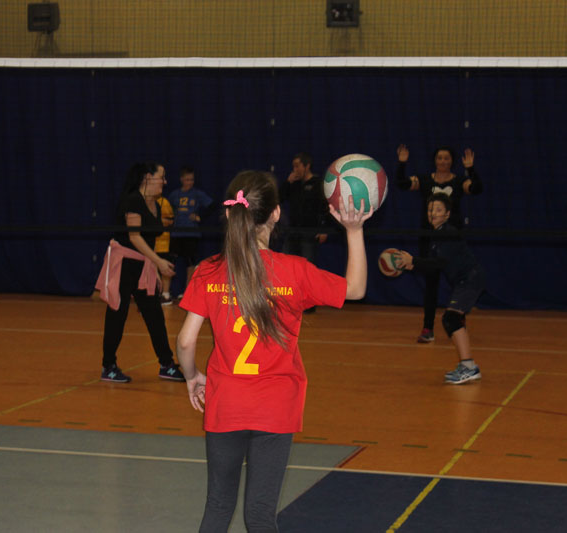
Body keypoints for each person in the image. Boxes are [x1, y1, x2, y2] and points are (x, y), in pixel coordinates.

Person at [176, 170, 372, 531]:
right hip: (276, 406)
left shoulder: (208, 271)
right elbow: (356, 288)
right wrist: (354, 231)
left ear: (231, 213)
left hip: (226, 402)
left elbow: (186, 341)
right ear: (276, 214)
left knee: (217, 506)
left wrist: (191, 377)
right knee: (260, 513)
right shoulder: (295, 271)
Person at [95, 161, 185, 383]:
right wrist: (158, 262)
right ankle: (108, 366)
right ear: (147, 177)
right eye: (161, 177)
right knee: (117, 315)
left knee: (154, 315)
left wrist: (154, 263)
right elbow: (134, 237)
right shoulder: (133, 200)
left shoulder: (156, 204)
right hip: (125, 265)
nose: (165, 181)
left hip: (143, 267)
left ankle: (166, 364)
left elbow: (147, 238)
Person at [396, 144, 483, 342]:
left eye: (446, 158)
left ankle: (457, 319)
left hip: (452, 239)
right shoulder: (425, 180)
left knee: (458, 279)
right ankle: (428, 328)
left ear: (451, 161)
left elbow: (477, 188)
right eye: (439, 158)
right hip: (429, 237)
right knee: (431, 284)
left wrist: (470, 169)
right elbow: (402, 183)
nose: (443, 161)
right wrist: (402, 163)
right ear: (435, 161)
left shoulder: (459, 181)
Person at [394, 193, 484, 385]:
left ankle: (469, 367)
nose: (432, 213)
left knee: (451, 318)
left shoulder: (448, 233)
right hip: (463, 281)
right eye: (430, 210)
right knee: (454, 319)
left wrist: (414, 260)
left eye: (438, 210)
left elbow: (440, 262)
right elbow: (434, 265)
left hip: (470, 279)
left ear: (447, 214)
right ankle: (466, 365)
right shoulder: (436, 236)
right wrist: (413, 265)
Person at [279, 153, 331, 313]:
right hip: (293, 232)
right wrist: (287, 182)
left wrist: (323, 230)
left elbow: (326, 208)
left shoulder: (317, 184)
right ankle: (289, 302)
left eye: (297, 165)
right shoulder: (294, 184)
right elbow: (279, 198)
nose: (295, 169)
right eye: (293, 166)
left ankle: (309, 303)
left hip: (309, 232)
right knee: (286, 268)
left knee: (307, 270)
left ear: (307, 166)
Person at [167, 166, 213, 298]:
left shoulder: (197, 194)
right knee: (171, 261)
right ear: (181, 179)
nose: (189, 182)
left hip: (191, 233)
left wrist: (200, 217)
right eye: (187, 179)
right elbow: (167, 209)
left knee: (190, 262)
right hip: (176, 233)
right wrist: (170, 220)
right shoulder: (174, 195)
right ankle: (166, 291)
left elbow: (212, 205)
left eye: (192, 180)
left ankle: (188, 292)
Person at [155, 194, 176, 305]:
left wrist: (158, 220)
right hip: (149, 244)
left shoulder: (164, 202)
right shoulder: (144, 201)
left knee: (165, 268)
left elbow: (170, 220)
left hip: (164, 243)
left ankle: (166, 294)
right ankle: (153, 293)